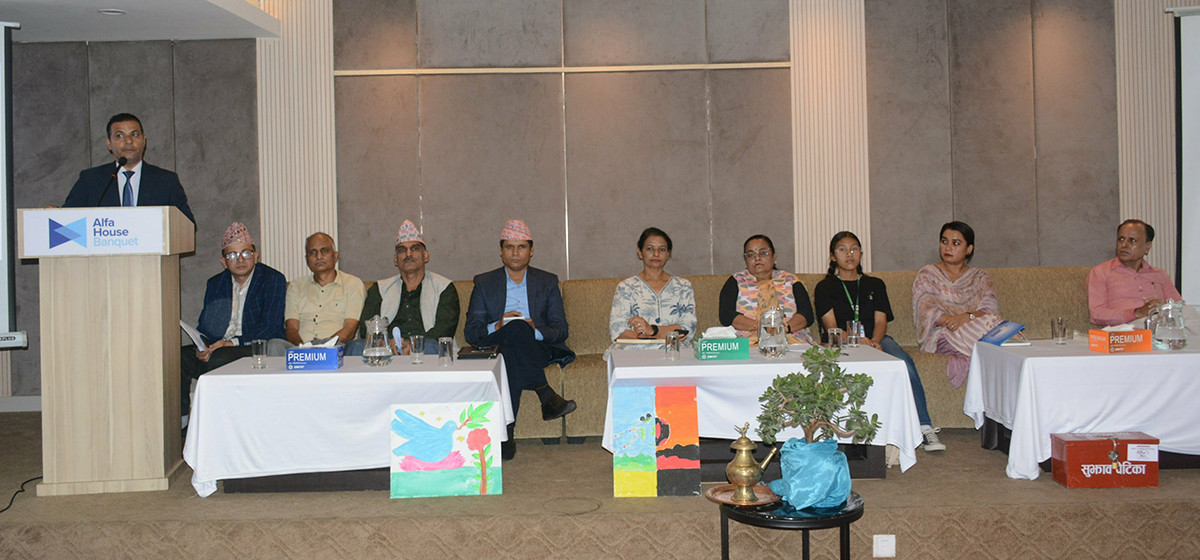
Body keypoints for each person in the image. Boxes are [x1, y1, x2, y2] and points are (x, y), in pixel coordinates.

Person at [814, 231, 944, 452]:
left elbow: (881, 321)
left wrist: (874, 341)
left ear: (861, 253)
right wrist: (858, 341)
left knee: (903, 363)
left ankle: (924, 426)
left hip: (877, 339)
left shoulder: (875, 284)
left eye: (854, 249)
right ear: (833, 256)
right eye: (842, 250)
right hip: (840, 342)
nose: (849, 254)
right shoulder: (825, 287)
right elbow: (831, 327)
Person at [464, 220, 576, 460]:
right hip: (498, 341)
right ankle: (545, 393)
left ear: (531, 251)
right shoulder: (484, 283)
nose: (515, 252)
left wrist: (534, 330)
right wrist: (498, 325)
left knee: (511, 350)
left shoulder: (547, 282)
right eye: (509, 247)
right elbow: (472, 332)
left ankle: (506, 434)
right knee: (513, 333)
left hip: (536, 346)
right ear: (501, 251)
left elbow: (560, 330)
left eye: (521, 247)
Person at [181, 222, 286, 416]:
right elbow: (206, 327)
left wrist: (229, 343)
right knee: (179, 358)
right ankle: (182, 421)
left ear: (256, 256)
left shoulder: (272, 279)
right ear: (223, 262)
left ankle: (217, 419)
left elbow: (272, 326)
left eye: (246, 253)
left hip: (251, 346)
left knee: (219, 358)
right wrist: (203, 348)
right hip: (218, 347)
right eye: (232, 255)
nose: (240, 259)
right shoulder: (216, 283)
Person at [913, 221, 1004, 388]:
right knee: (993, 342)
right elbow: (925, 309)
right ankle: (1004, 355)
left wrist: (965, 318)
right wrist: (951, 321)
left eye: (956, 243)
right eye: (944, 241)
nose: (948, 247)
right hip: (943, 333)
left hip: (973, 328)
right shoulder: (928, 274)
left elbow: (990, 311)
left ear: (969, 249)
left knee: (994, 322)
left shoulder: (980, 277)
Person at [62, 113, 195, 224]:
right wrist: (55, 214)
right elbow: (67, 220)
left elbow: (187, 224)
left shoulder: (166, 181)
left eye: (135, 135)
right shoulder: (90, 180)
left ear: (144, 140)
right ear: (109, 143)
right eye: (119, 136)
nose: (128, 141)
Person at [354, 219, 460, 355]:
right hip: (387, 352)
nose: (408, 254)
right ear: (396, 259)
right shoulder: (379, 289)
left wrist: (413, 345)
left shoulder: (444, 287)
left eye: (414, 248)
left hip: (427, 350)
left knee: (433, 345)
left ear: (426, 256)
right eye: (402, 250)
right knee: (354, 347)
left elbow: (445, 330)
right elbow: (366, 329)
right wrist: (385, 342)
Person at [607, 227, 696, 356]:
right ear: (640, 252)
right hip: (635, 351)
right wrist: (654, 338)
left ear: (668, 254)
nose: (656, 254)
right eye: (650, 249)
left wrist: (652, 330)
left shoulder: (683, 286)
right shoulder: (626, 287)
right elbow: (617, 330)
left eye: (662, 249)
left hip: (674, 350)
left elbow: (688, 328)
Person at [719, 234, 815, 341]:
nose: (757, 258)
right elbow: (726, 315)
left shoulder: (791, 280)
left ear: (774, 257)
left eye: (763, 253)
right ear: (745, 260)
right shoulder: (736, 280)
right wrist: (762, 327)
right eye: (751, 255)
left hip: (790, 338)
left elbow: (807, 314)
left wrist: (783, 329)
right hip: (748, 341)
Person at [1087, 219, 1181, 327]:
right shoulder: (1100, 273)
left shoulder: (1160, 274)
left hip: (1162, 324)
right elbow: (1097, 314)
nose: (1124, 245)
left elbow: (1178, 306)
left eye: (1132, 240)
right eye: (1121, 239)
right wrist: (1136, 313)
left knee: (1190, 314)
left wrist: (1162, 308)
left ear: (1147, 247)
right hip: (1128, 328)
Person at [282, 232, 366, 350]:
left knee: (357, 346)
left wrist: (324, 348)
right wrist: (304, 349)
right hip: (301, 348)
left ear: (335, 256)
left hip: (337, 348)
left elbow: (350, 330)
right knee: (274, 345)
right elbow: (291, 328)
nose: (319, 256)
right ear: (307, 260)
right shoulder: (296, 286)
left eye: (324, 251)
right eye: (313, 252)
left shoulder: (353, 284)